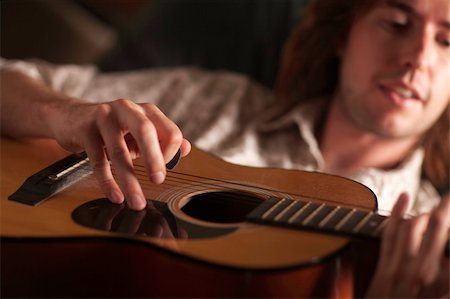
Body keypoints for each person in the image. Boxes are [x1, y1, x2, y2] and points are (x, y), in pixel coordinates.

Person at [1, 0, 449, 297]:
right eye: (396, 23)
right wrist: (61, 113)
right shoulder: (222, 101)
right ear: (342, 36)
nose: (417, 58)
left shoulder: (424, 246)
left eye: (447, 40)